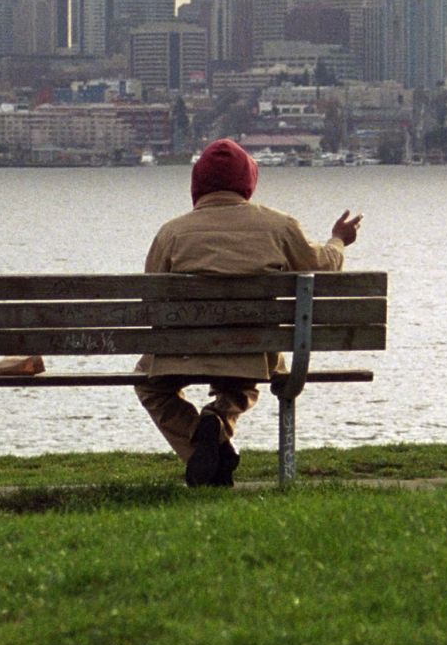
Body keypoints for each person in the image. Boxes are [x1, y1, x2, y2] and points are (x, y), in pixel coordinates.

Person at [135, 139, 363, 487]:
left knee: (147, 383)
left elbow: (151, 301)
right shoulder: (279, 227)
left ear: (197, 185)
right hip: (253, 351)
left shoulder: (172, 233)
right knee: (259, 370)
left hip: (184, 352)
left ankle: (200, 441)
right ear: (247, 182)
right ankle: (217, 421)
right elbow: (324, 267)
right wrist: (337, 240)